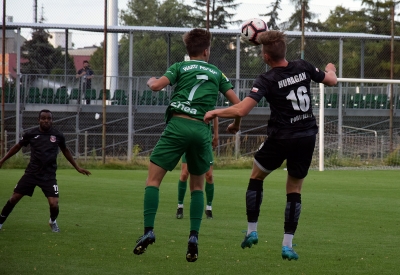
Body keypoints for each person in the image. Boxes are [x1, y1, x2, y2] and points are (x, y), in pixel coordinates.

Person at [204, 30, 337, 261]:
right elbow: (331, 80)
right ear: (285, 51)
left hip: (281, 137)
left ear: (266, 57)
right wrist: (332, 68)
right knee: (294, 190)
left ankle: (252, 231)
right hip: (306, 136)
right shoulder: (303, 66)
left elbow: (242, 109)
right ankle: (287, 245)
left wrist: (216, 111)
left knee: (256, 177)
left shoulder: (266, 79)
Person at [133, 28, 241, 262]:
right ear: (206, 50)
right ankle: (193, 237)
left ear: (188, 50)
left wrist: (151, 80)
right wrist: (235, 123)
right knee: (198, 187)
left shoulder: (180, 67)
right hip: (201, 129)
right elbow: (237, 104)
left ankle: (148, 231)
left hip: (178, 125)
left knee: (153, 181)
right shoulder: (217, 73)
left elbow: (156, 86)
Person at [0, 109, 91, 232]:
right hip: (31, 174)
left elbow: (65, 150)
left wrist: (77, 167)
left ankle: (52, 221)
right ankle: (0, 222)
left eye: (49, 118)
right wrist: (2, 160)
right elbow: (17, 147)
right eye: (43, 118)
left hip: (49, 175)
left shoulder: (58, 135)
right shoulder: (31, 134)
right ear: (39, 120)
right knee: (14, 198)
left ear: (52, 120)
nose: (46, 121)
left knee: (54, 204)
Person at [176, 117, 218, 220]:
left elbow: (215, 116)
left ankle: (208, 208)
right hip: (190, 141)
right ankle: (180, 206)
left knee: (209, 175)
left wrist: (216, 135)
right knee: (184, 174)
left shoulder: (207, 102)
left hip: (205, 141)